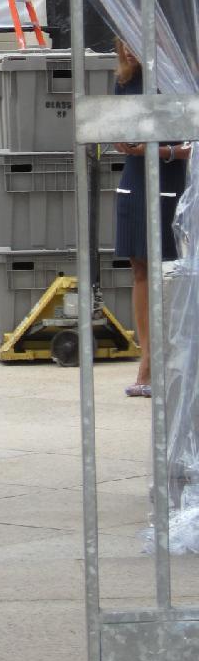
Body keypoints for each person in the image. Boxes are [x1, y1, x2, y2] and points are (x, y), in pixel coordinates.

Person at [113, 37, 189, 398]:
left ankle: (171, 358)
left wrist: (164, 151)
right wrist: (122, 141)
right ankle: (147, 358)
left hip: (173, 178)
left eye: (134, 40)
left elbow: (191, 142)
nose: (128, 49)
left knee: (172, 266)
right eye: (122, 42)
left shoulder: (179, 77)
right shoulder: (127, 81)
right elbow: (115, 125)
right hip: (135, 176)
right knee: (139, 265)